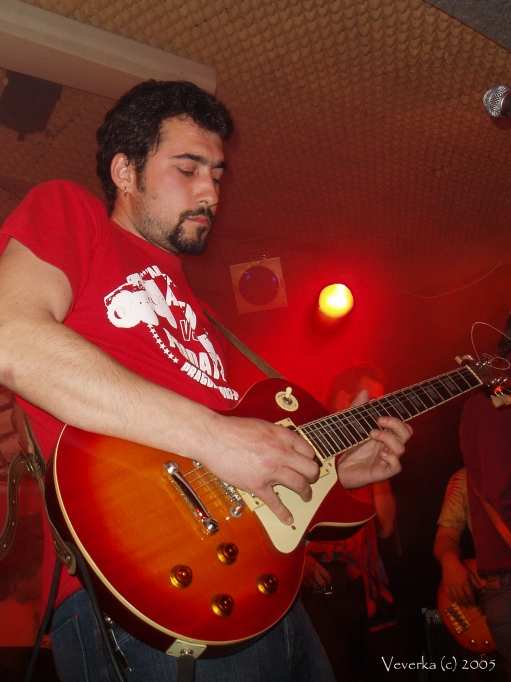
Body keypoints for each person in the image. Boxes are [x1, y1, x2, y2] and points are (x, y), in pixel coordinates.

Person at [0, 80, 412, 682]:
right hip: (136, 602)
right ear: (125, 171)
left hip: (260, 596)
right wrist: (214, 436)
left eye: (217, 175)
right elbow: (10, 337)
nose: (210, 192)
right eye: (188, 168)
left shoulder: (202, 312)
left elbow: (237, 475)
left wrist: (330, 471)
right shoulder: (72, 213)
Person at [302, 367, 398, 681]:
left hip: (357, 583)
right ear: (344, 399)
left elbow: (386, 526)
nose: (381, 414)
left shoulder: (365, 452)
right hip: (316, 581)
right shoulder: (308, 442)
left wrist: (380, 472)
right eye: (374, 403)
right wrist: (303, 564)